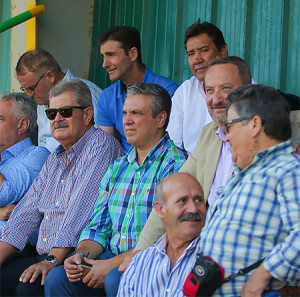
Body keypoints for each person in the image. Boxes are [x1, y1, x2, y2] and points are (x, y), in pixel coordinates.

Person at [45, 83, 187, 297]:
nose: (127, 120)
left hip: (154, 261)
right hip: (111, 256)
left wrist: (110, 265)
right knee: (59, 278)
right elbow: (98, 227)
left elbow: (168, 236)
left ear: (160, 119)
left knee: (116, 279)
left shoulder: (174, 163)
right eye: (125, 113)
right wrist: (80, 255)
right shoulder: (118, 167)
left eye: (136, 113)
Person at [0, 80, 123, 297]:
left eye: (65, 111)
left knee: (26, 289)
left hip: (78, 257)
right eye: (51, 113)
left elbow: (80, 210)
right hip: (48, 256)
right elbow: (26, 212)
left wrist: (51, 260)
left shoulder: (100, 146)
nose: (57, 119)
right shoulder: (55, 158)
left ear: (87, 115)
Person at [132, 56, 252, 252]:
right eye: (210, 90)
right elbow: (172, 193)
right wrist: (139, 252)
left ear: (249, 91)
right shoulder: (209, 135)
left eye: (226, 88)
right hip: (201, 248)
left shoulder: (264, 138)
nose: (216, 99)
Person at [198, 84, 300, 296]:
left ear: (254, 125)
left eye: (230, 125)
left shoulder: (287, 170)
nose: (226, 136)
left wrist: (261, 276)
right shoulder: (246, 172)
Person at [117, 173, 206, 296]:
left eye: (199, 200)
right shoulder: (139, 263)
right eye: (182, 201)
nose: (193, 209)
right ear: (160, 210)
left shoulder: (215, 258)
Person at [96, 26, 178, 153]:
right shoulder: (107, 97)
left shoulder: (168, 90)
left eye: (111, 55)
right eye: (103, 57)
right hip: (125, 168)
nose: (105, 64)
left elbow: (174, 142)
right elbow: (105, 149)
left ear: (133, 54)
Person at [16, 49, 102, 152]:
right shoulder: (42, 103)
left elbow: (99, 144)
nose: (29, 94)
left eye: (31, 88)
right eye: (24, 89)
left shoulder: (86, 93)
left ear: (50, 76)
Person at [167, 20, 228, 153]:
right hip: (189, 167)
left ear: (223, 51)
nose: (197, 59)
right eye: (191, 54)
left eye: (204, 50)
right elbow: (173, 148)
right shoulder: (184, 91)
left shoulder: (245, 88)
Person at [0, 93, 50, 227]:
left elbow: (4, 195)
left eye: (0, 118)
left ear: (22, 125)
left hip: (16, 246)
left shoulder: (37, 155)